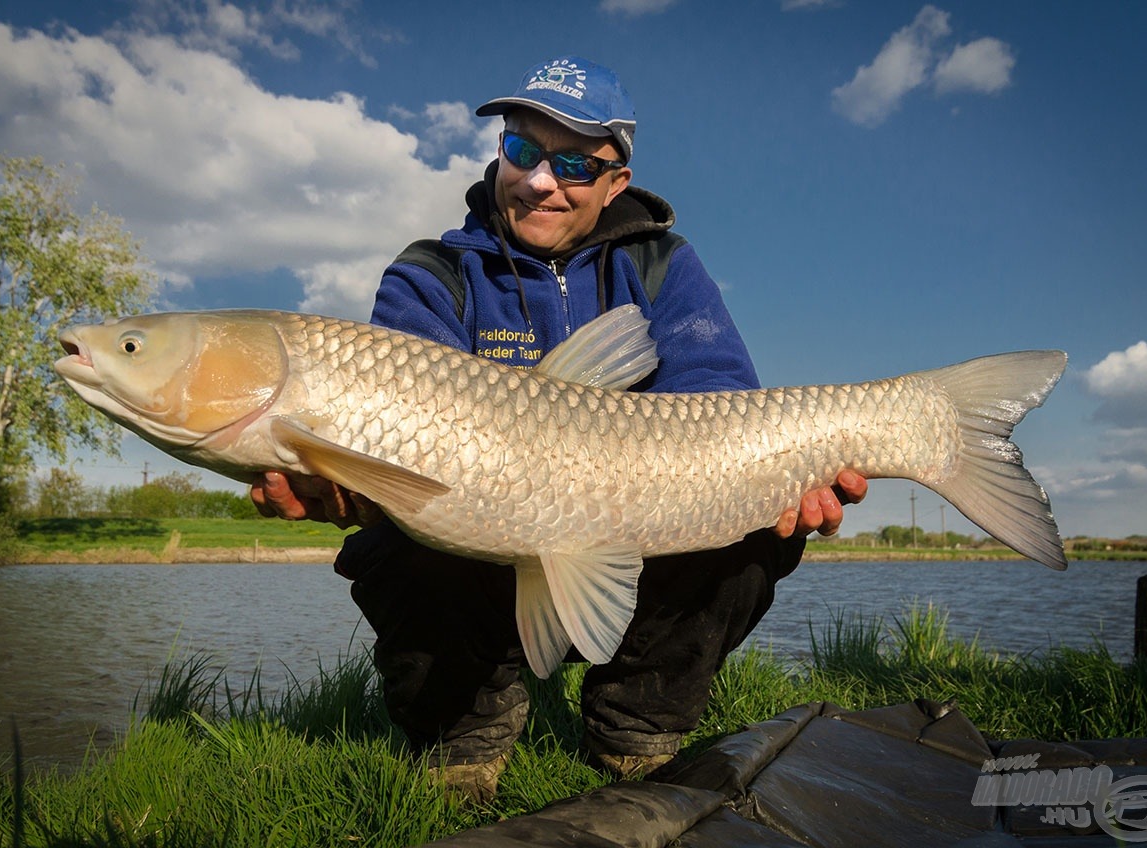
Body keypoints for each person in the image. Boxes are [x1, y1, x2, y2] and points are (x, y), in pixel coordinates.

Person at [252, 55, 867, 802]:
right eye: (522, 150)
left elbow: (717, 395)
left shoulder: (661, 262)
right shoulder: (432, 272)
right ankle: (465, 728)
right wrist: (345, 481)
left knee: (759, 526)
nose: (541, 180)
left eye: (575, 163)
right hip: (477, 541)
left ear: (617, 184)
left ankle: (636, 724)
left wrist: (779, 478)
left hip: (637, 527)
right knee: (394, 537)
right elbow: (394, 428)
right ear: (499, 151)